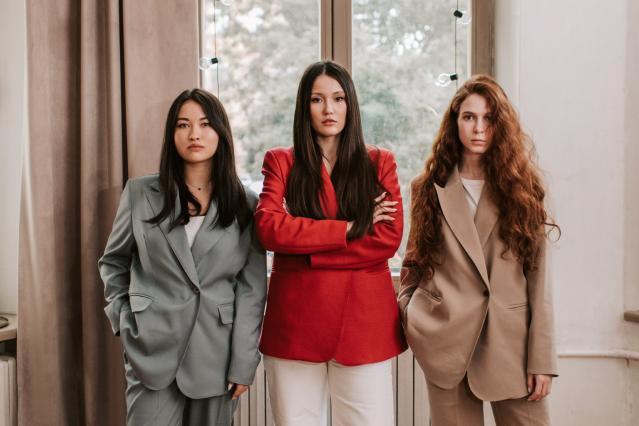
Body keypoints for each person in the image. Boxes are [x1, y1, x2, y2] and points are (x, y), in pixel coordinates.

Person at [98, 89, 267, 426]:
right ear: (172, 133)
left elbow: (252, 291)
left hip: (217, 355)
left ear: (221, 132)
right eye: (183, 124)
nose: (194, 134)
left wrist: (244, 362)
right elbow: (113, 262)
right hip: (151, 350)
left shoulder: (245, 203)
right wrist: (125, 320)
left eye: (205, 124)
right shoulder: (140, 193)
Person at [398, 74, 560, 426]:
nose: (479, 128)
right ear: (454, 122)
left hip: (511, 344)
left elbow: (539, 279)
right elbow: (415, 260)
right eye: (469, 117)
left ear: (501, 124)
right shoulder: (427, 187)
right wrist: (411, 313)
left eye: (489, 118)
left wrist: (542, 359)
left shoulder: (523, 188)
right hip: (444, 341)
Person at [255, 61, 406, 426]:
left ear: (350, 104)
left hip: (363, 326)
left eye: (338, 98)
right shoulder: (281, 162)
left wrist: (305, 248)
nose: (329, 109)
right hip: (296, 324)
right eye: (317, 99)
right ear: (304, 107)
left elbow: (387, 239)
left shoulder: (379, 162)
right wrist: (351, 229)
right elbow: (269, 229)